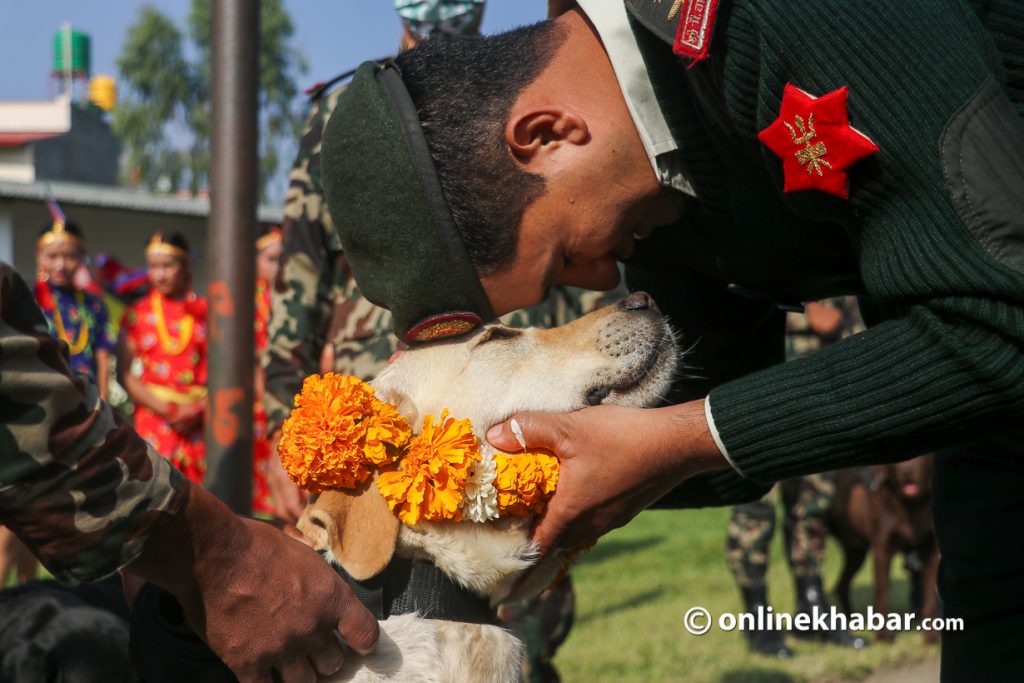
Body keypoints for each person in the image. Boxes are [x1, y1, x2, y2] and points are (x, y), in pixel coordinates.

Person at [317, 1, 1024, 679]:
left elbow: (999, 322)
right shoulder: (654, 193)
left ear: (545, 134)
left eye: (564, 256)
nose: (601, 283)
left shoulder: (771, 17)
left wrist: (681, 439)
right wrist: (483, 493)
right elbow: (718, 400)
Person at [0, 260, 378, 682]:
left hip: (169, 445)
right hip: (147, 442)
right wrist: (214, 555)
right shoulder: (140, 316)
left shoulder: (202, 314)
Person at [726, 299, 866, 656]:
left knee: (813, 501)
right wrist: (803, 310)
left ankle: (812, 609)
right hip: (757, 384)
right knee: (755, 505)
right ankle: (757, 618)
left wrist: (842, 327)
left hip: (818, 383)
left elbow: (853, 314)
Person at [117, 232, 208, 484]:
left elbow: (225, 372)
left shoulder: (205, 313)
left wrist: (198, 409)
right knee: (154, 491)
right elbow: (125, 374)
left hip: (198, 422)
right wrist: (169, 410)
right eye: (154, 267)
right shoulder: (137, 313)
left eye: (168, 266)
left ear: (185, 266)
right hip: (154, 419)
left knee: (201, 501)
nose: (160, 274)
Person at [34, 219, 116, 397]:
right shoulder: (28, 299)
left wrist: (102, 403)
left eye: (70, 256)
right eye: (52, 256)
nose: (60, 265)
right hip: (41, 401)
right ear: (39, 256)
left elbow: (103, 356)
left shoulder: (94, 304)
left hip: (86, 401)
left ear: (82, 257)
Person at [253, 225, 283, 516]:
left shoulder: (294, 299)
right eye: (271, 259)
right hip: (259, 399)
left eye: (282, 259)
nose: (279, 267)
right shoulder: (248, 303)